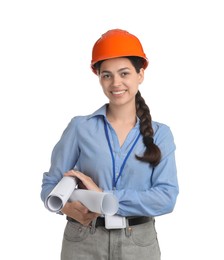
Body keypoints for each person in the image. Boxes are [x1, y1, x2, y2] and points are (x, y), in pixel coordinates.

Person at [40, 28, 179, 260]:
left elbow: (166, 198)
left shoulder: (161, 134)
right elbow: (50, 186)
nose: (116, 83)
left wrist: (105, 197)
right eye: (107, 75)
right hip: (84, 238)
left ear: (140, 74)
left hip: (138, 243)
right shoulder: (79, 127)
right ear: (99, 77)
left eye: (124, 73)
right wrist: (65, 207)